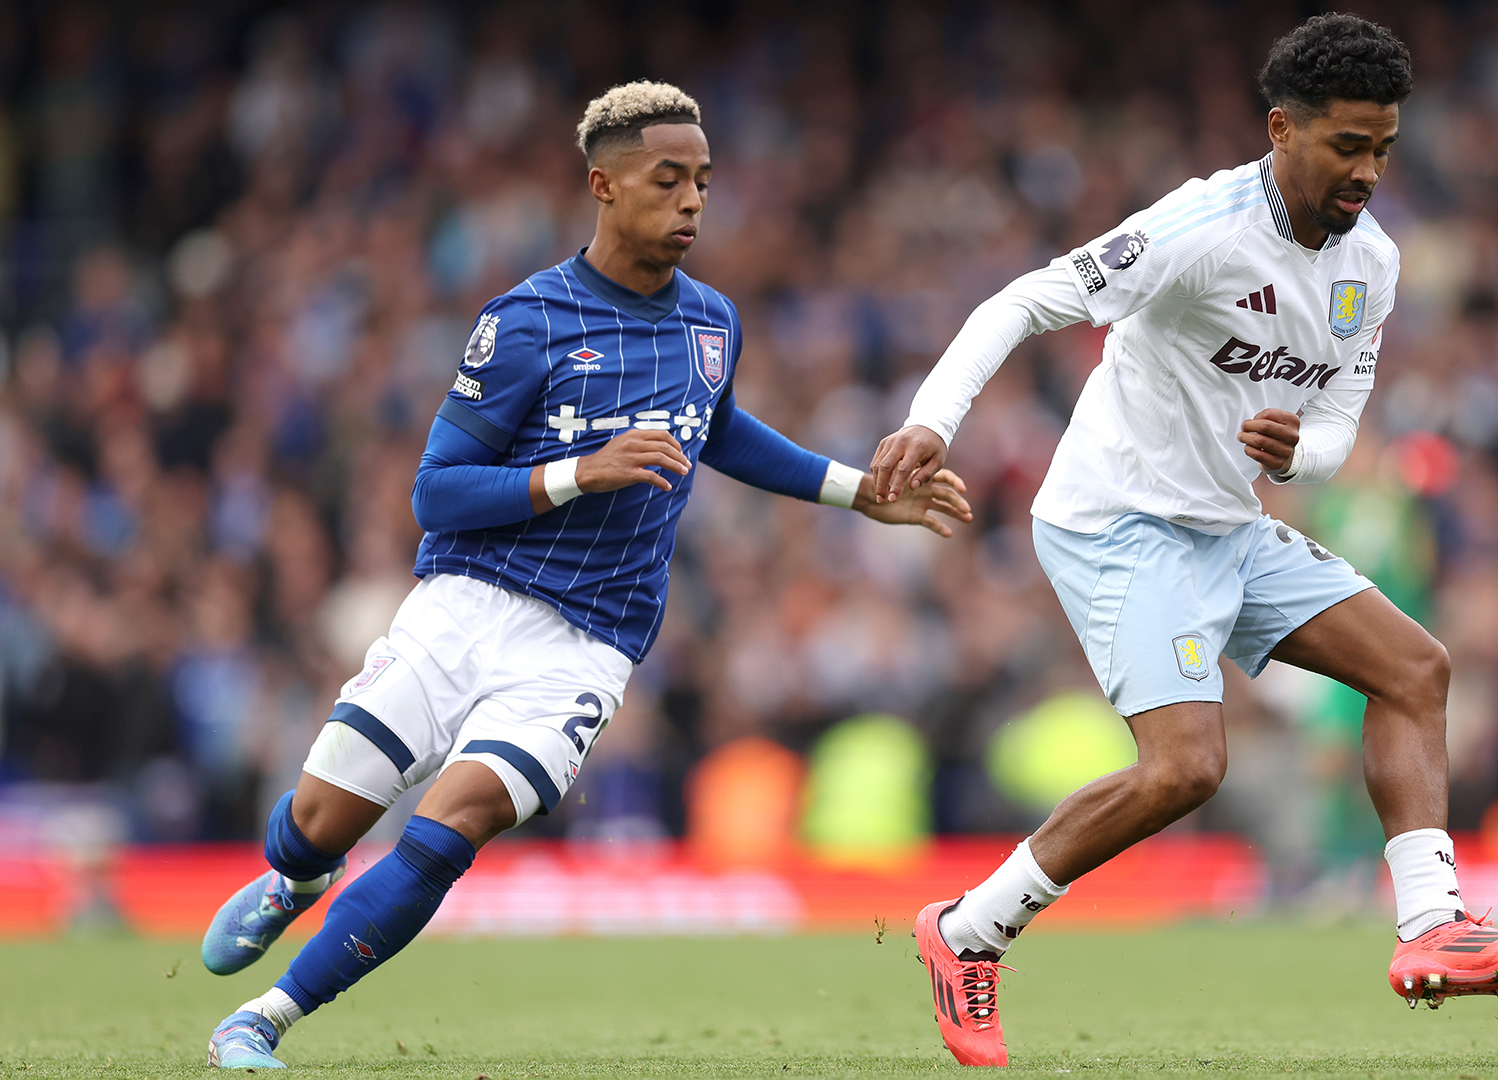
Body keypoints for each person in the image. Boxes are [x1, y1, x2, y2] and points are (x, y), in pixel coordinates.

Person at [202, 81, 973, 1070]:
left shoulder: (712, 323)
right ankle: (295, 880)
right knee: (318, 820)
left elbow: (719, 429)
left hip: (588, 641)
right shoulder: (525, 321)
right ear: (604, 187)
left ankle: (263, 1017)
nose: (694, 200)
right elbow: (437, 493)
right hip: (465, 604)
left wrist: (853, 490)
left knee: (457, 822)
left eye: (703, 181)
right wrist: (579, 473)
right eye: (669, 180)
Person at [869, 14, 1498, 1067]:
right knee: (1187, 768)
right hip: (1118, 522)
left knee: (1416, 669)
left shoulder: (1370, 264)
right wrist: (933, 420)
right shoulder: (1197, 228)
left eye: (1383, 147)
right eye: (1346, 145)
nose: (1368, 171)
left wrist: (1300, 456)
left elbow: (1340, 420)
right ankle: (966, 931)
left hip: (1227, 526)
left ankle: (1432, 928)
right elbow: (1022, 302)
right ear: (1282, 129)